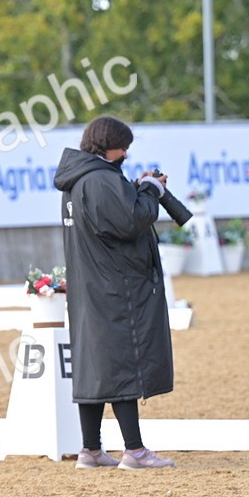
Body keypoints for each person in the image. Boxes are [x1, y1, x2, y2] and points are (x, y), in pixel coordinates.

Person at [52, 116, 177, 470]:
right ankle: (135, 451)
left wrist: (136, 188)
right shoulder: (101, 179)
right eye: (124, 146)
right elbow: (130, 221)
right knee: (123, 363)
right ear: (109, 146)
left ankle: (90, 450)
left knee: (93, 366)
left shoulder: (76, 181)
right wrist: (150, 190)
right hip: (115, 286)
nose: (126, 153)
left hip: (89, 285)